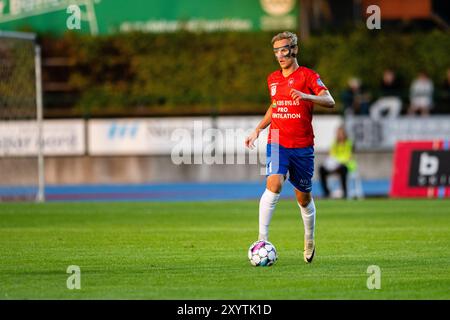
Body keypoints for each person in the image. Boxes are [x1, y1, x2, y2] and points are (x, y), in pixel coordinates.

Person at [244, 31, 335, 263]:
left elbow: (330, 101)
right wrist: (258, 128)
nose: (280, 55)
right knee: (274, 182)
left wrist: (307, 96)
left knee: (303, 198)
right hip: (277, 140)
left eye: (284, 49)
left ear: (294, 49)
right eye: (276, 51)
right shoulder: (272, 78)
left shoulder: (308, 75)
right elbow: (275, 107)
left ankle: (309, 238)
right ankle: (261, 240)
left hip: (302, 146)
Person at [319, 126, 356, 199]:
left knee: (343, 169)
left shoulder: (349, 143)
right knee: (321, 169)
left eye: (341, 133)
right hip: (335, 165)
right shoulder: (334, 143)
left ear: (345, 134)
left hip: (346, 165)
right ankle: (326, 193)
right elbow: (331, 155)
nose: (340, 135)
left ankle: (345, 193)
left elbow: (349, 156)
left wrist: (340, 161)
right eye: (338, 134)